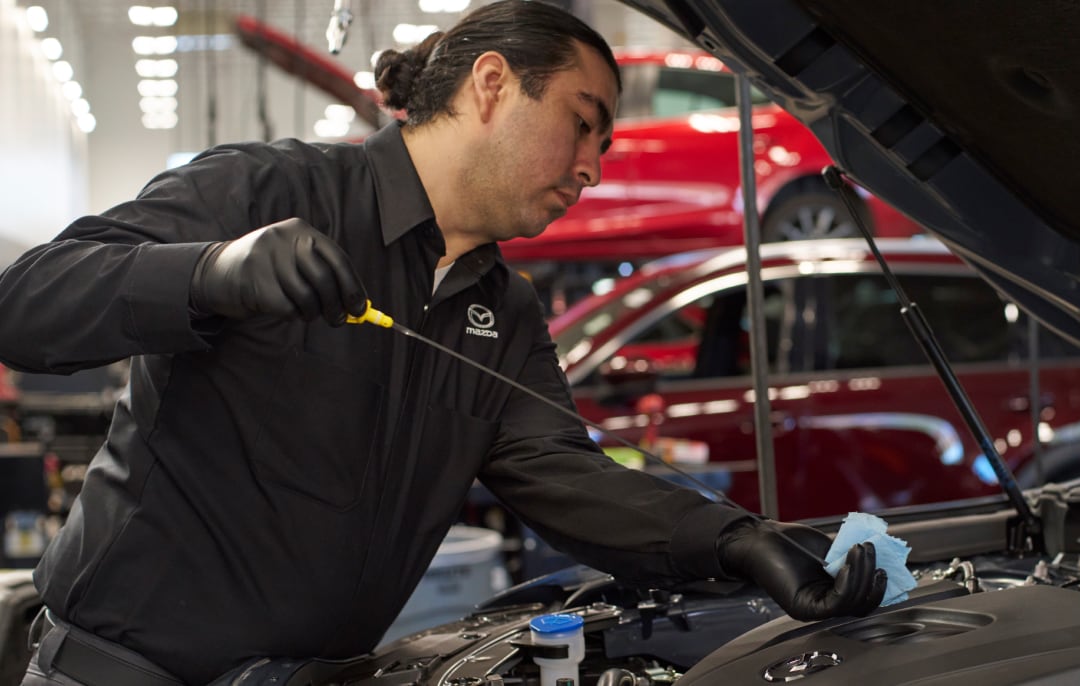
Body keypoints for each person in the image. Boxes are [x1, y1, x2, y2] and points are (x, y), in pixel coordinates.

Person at [0, 2, 886, 684]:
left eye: (605, 145)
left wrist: (735, 542)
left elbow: (567, 480)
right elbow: (25, 304)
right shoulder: (265, 189)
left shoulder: (508, 313)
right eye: (583, 124)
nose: (592, 167)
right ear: (492, 84)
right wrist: (211, 273)